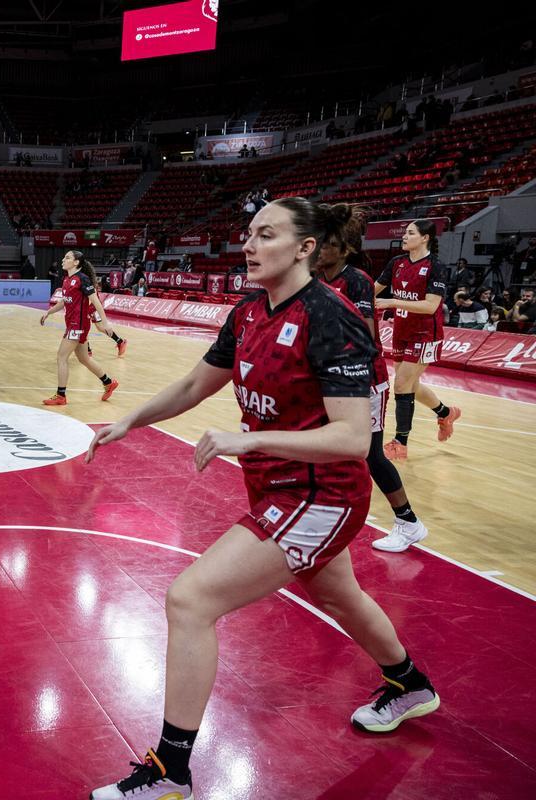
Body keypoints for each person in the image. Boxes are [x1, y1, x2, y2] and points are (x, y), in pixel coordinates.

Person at [87, 198, 438, 800]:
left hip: (321, 494)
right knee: (341, 596)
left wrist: (243, 438)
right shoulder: (249, 311)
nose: (249, 245)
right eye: (248, 234)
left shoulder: (334, 317)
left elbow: (354, 438)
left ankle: (172, 772)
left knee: (190, 600)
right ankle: (410, 685)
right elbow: (198, 384)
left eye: (266, 235)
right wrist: (132, 421)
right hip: (280, 486)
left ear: (305, 247)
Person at [316, 204, 428, 553]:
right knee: (324, 445)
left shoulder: (356, 281)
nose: (319, 249)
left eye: (326, 244)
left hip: (364, 380)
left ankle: (408, 521)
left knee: (370, 453)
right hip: (332, 378)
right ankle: (326, 510)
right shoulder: (316, 278)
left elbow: (364, 338)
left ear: (344, 248)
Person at [374, 221, 461, 460]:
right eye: (405, 232)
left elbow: (431, 305)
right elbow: (372, 289)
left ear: (425, 238)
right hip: (402, 332)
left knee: (402, 384)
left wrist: (392, 302)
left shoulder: (436, 266)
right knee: (410, 384)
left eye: (410, 233)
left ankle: (400, 443)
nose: (404, 236)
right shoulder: (396, 263)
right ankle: (445, 412)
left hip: (425, 334)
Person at [40, 250, 120, 405]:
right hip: (73, 324)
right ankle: (109, 382)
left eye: (67, 257)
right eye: (64, 257)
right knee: (84, 358)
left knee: (61, 357)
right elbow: (64, 301)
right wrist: (48, 312)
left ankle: (61, 395)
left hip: (78, 325)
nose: (63, 260)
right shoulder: (67, 279)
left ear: (76, 262)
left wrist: (105, 322)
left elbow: (96, 302)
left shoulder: (82, 279)